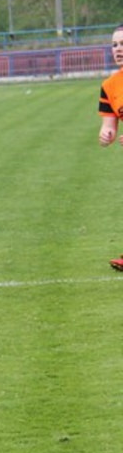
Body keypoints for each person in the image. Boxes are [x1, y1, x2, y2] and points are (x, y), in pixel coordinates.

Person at [97, 24, 123, 270]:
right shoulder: (110, 86)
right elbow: (109, 125)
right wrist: (107, 136)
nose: (118, 49)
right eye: (114, 44)